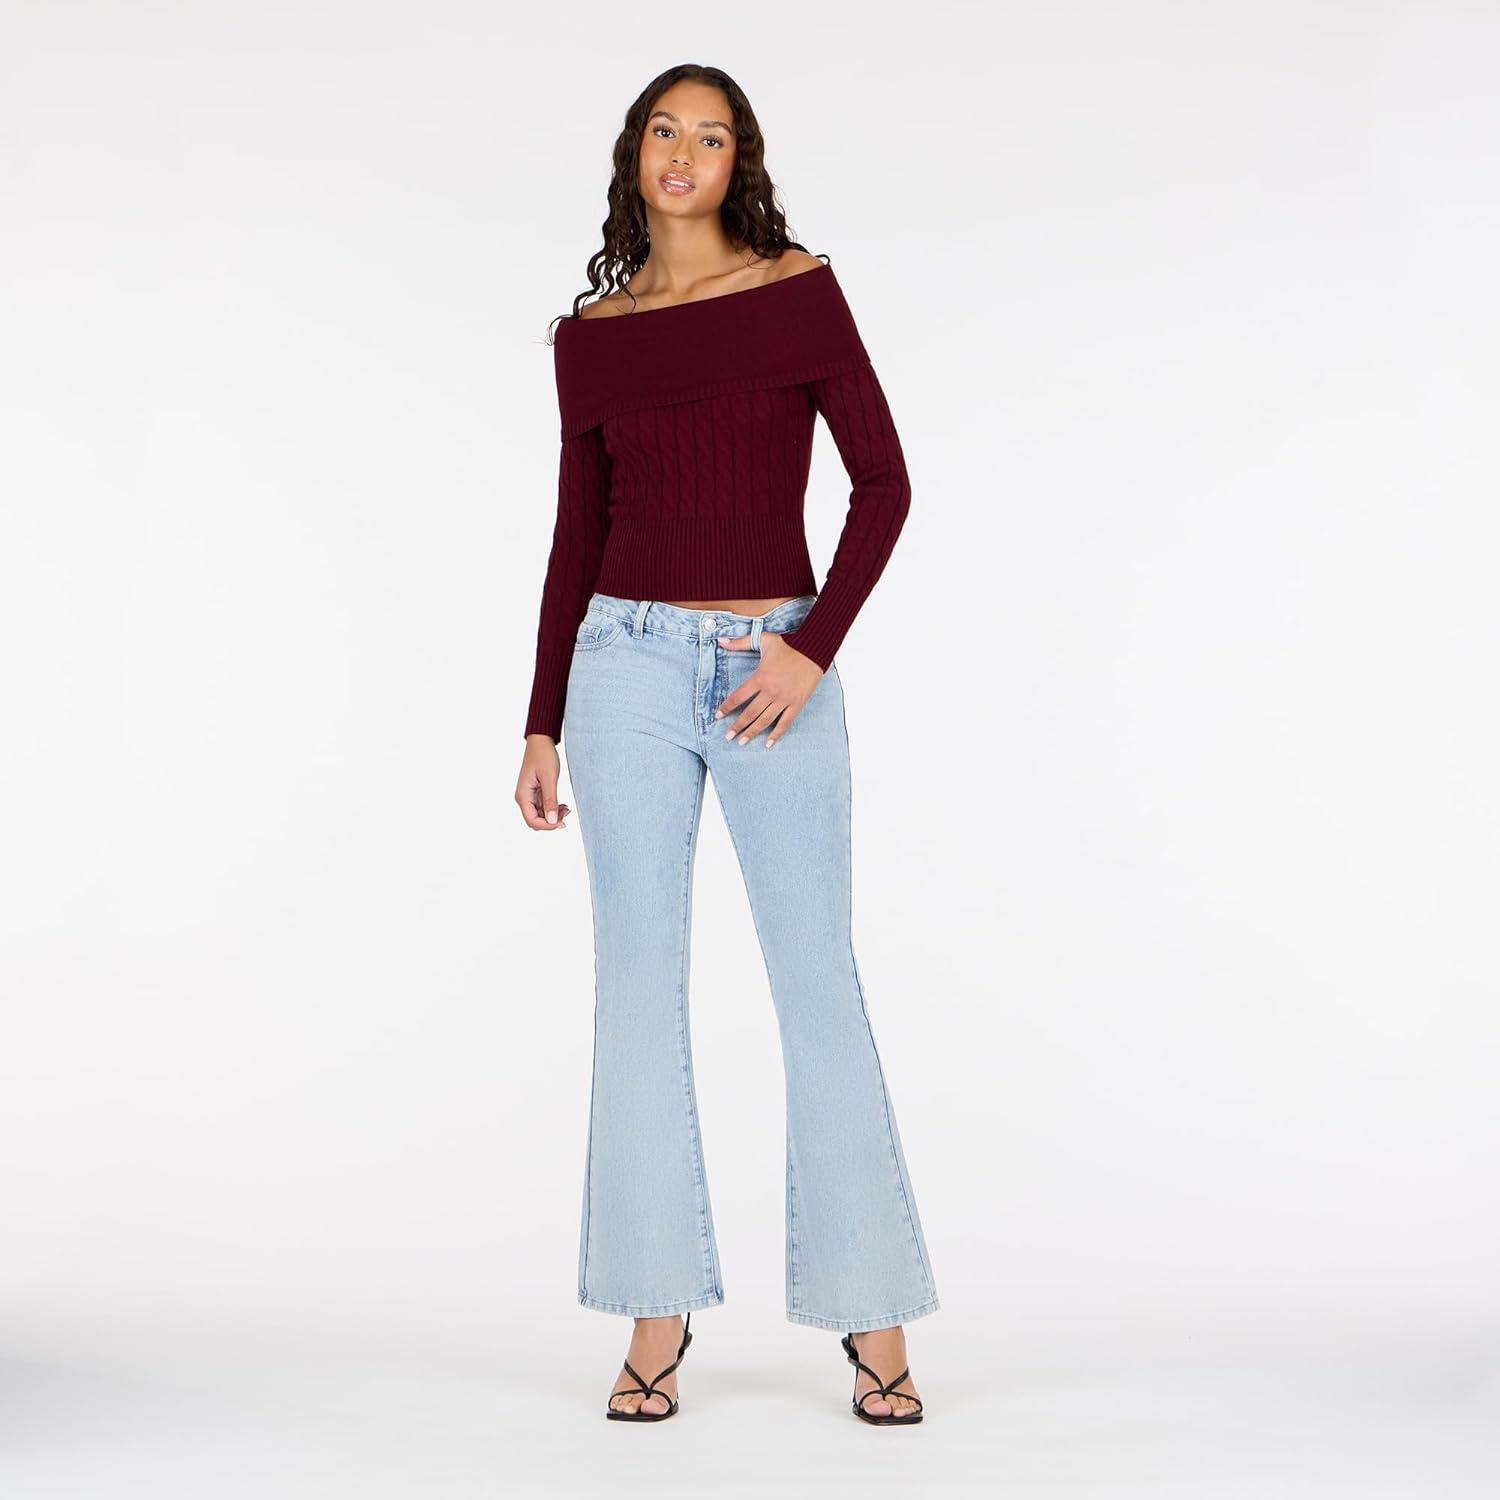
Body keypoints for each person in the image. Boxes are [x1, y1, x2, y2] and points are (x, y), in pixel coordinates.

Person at [515, 63, 939, 1425]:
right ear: (635, 155)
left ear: (738, 160)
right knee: (637, 991)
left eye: (711, 135)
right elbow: (578, 535)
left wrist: (811, 648)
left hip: (776, 666)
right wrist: (540, 717)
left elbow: (885, 484)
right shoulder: (593, 336)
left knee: (818, 983)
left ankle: (873, 1315)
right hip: (623, 669)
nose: (685, 153)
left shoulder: (795, 292)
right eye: (665, 130)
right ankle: (656, 1315)